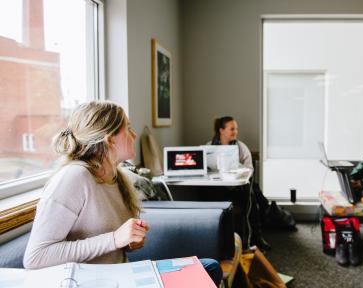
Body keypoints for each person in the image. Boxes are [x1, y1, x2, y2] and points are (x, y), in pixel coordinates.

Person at [23, 101, 222, 285]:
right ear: (109, 140)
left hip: (121, 274)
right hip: (96, 282)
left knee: (209, 267)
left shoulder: (117, 176)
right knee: (207, 270)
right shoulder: (74, 177)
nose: (134, 135)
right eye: (128, 128)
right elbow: (36, 257)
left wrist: (128, 242)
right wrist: (114, 239)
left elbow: (111, 243)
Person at [207, 116, 271, 251]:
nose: (235, 131)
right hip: (218, 188)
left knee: (251, 199)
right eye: (232, 129)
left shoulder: (241, 147)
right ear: (221, 130)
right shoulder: (209, 147)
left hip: (237, 187)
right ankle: (215, 240)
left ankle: (256, 238)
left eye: (236, 129)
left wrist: (239, 171)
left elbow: (250, 169)